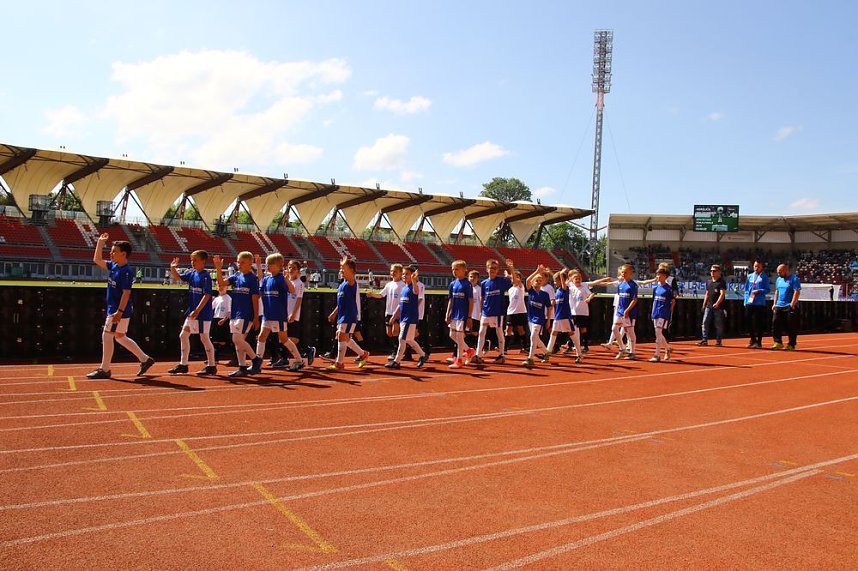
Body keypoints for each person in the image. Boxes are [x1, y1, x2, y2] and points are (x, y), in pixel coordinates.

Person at [86, 233, 155, 379]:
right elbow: (97, 259)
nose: (111, 253)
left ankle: (104, 369)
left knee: (107, 335)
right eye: (111, 251)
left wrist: (119, 311)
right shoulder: (114, 266)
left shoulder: (126, 272)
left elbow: (126, 293)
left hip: (118, 310)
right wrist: (99, 243)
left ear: (123, 254)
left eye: (114, 251)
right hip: (118, 310)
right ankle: (145, 359)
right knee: (120, 336)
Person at [254, 253, 307, 372]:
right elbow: (261, 291)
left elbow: (292, 290)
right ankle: (257, 362)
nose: (267, 266)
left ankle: (299, 360)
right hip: (267, 315)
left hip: (278, 315)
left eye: (269, 264)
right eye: (266, 264)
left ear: (278, 265)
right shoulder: (267, 279)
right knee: (261, 337)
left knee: (284, 339)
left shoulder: (281, 279)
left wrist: (286, 279)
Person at [213, 252, 262, 377]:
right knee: (239, 342)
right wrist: (218, 268)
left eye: (242, 262)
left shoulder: (252, 279)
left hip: (245, 314)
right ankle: (242, 367)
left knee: (236, 339)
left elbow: (255, 299)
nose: (239, 264)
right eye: (238, 262)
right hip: (235, 313)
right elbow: (221, 282)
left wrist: (256, 317)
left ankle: (256, 359)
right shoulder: (236, 276)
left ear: (250, 263)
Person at [168, 251, 217, 375]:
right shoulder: (192, 273)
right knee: (183, 335)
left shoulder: (205, 276)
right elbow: (178, 277)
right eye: (191, 260)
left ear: (203, 261)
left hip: (202, 313)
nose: (192, 262)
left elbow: (207, 295)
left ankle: (211, 365)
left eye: (195, 260)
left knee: (204, 338)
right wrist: (173, 268)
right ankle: (183, 364)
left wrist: (197, 310)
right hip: (192, 312)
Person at [327, 256, 369, 371]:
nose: (340, 270)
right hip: (342, 315)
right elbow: (341, 303)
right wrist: (334, 313)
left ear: (351, 270)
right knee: (343, 337)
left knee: (342, 336)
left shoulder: (351, 282)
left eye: (343, 268)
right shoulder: (342, 285)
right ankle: (362, 354)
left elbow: (350, 276)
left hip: (349, 315)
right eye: (340, 268)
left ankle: (339, 363)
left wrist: (346, 263)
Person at [470, 258, 515, 365]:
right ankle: (478, 355)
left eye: (495, 268)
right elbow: (482, 298)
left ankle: (501, 355)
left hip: (497, 312)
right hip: (486, 312)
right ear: (487, 269)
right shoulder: (484, 283)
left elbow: (514, 281)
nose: (493, 270)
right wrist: (481, 311)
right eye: (491, 268)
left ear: (498, 270)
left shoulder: (501, 281)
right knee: (481, 332)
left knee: (499, 332)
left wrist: (511, 268)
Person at [385, 267, 428, 369]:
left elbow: (416, 292)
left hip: (410, 318)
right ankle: (423, 355)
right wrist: (394, 316)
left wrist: (413, 280)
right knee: (409, 340)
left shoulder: (414, 287)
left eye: (407, 274)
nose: (404, 276)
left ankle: (397, 361)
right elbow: (401, 304)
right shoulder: (404, 288)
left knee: (402, 338)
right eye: (403, 274)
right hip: (403, 318)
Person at [367, 264, 405, 361]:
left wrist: (398, 312)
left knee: (395, 331)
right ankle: (399, 349)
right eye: (392, 271)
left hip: (397, 312)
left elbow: (402, 301)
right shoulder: (389, 285)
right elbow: (381, 295)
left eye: (395, 271)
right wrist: (372, 295)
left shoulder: (403, 285)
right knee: (389, 333)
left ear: (400, 273)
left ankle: (395, 352)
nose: (393, 273)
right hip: (388, 311)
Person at [546, 269, 582, 363]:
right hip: (558, 316)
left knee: (572, 334)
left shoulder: (564, 289)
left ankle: (579, 354)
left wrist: (562, 273)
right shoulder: (557, 291)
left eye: (555, 281)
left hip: (565, 316)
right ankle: (547, 353)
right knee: (553, 333)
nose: (554, 282)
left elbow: (562, 278)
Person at [445, 260, 474, 369]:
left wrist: (469, 316)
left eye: (456, 269)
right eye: (453, 269)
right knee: (452, 335)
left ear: (464, 270)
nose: (454, 271)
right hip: (454, 314)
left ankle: (459, 360)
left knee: (459, 336)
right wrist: (448, 313)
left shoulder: (467, 284)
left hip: (463, 314)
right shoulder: (452, 284)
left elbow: (471, 301)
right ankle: (469, 350)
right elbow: (450, 300)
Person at [286, 259, 315, 367]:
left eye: (294, 268)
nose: (291, 270)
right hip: (284, 312)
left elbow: (299, 300)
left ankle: (307, 350)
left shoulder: (299, 283)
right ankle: (303, 352)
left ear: (298, 270)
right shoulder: (288, 282)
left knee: (292, 339)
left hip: (292, 313)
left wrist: (293, 313)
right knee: (285, 338)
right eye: (289, 267)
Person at [521, 266, 551, 367]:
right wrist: (537, 271)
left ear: (542, 282)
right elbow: (528, 280)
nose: (538, 282)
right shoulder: (531, 291)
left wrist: (548, 320)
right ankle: (546, 352)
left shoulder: (545, 294)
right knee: (536, 338)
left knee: (533, 336)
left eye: (540, 280)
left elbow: (549, 307)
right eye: (536, 280)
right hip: (530, 318)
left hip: (539, 319)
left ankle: (530, 358)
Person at [611, 263, 639, 360]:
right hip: (620, 311)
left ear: (631, 273)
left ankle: (632, 352)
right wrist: (619, 310)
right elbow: (620, 298)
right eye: (622, 272)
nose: (623, 274)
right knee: (614, 329)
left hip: (629, 313)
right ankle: (622, 348)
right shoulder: (620, 284)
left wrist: (627, 311)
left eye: (625, 272)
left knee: (630, 332)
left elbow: (634, 300)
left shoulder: (633, 285)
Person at [772, 263, 801, 350]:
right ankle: (777, 342)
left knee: (791, 325)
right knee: (775, 322)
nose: (778, 273)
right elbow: (777, 291)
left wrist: (792, 304)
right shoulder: (778, 280)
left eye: (780, 272)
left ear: (786, 270)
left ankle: (791, 344)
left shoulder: (794, 279)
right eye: (777, 272)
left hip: (789, 305)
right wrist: (774, 303)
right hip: (779, 305)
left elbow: (797, 291)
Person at [650, 267, 676, 362]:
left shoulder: (669, 289)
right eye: (657, 275)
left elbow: (673, 301)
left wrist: (670, 312)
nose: (658, 276)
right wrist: (652, 312)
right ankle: (668, 348)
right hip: (656, 312)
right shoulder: (656, 288)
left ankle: (657, 355)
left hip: (663, 313)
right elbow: (654, 301)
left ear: (665, 276)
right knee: (658, 333)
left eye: (660, 275)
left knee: (658, 332)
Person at [698, 264, 727, 346]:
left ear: (719, 272)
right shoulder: (708, 281)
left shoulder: (721, 282)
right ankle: (704, 339)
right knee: (705, 322)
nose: (712, 272)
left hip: (718, 307)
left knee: (718, 324)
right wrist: (704, 304)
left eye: (714, 271)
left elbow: (722, 294)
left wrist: (717, 303)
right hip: (709, 306)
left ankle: (718, 341)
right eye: (711, 271)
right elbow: (707, 294)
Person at [744, 260, 770, 349]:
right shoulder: (750, 276)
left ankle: (759, 342)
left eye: (758, 266)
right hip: (750, 301)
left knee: (759, 322)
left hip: (760, 302)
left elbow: (767, 290)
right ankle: (753, 339)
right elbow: (746, 290)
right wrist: (745, 301)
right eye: (755, 266)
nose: (756, 268)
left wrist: (759, 291)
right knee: (747, 320)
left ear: (761, 267)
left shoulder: (764, 277)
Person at [505, 271, 528, 353]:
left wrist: (510, 274)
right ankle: (504, 349)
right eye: (513, 277)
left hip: (520, 312)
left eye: (516, 277)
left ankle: (525, 348)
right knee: (508, 330)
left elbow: (517, 280)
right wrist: (510, 276)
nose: (514, 278)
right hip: (511, 312)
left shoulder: (521, 287)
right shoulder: (510, 289)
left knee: (521, 329)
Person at [211, 284, 232, 360]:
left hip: (224, 320)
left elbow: (230, 311)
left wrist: (224, 319)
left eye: (222, 286)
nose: (221, 288)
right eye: (219, 286)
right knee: (215, 340)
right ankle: (214, 358)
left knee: (223, 340)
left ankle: (233, 356)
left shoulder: (228, 298)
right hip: (216, 319)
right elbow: (211, 307)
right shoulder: (217, 299)